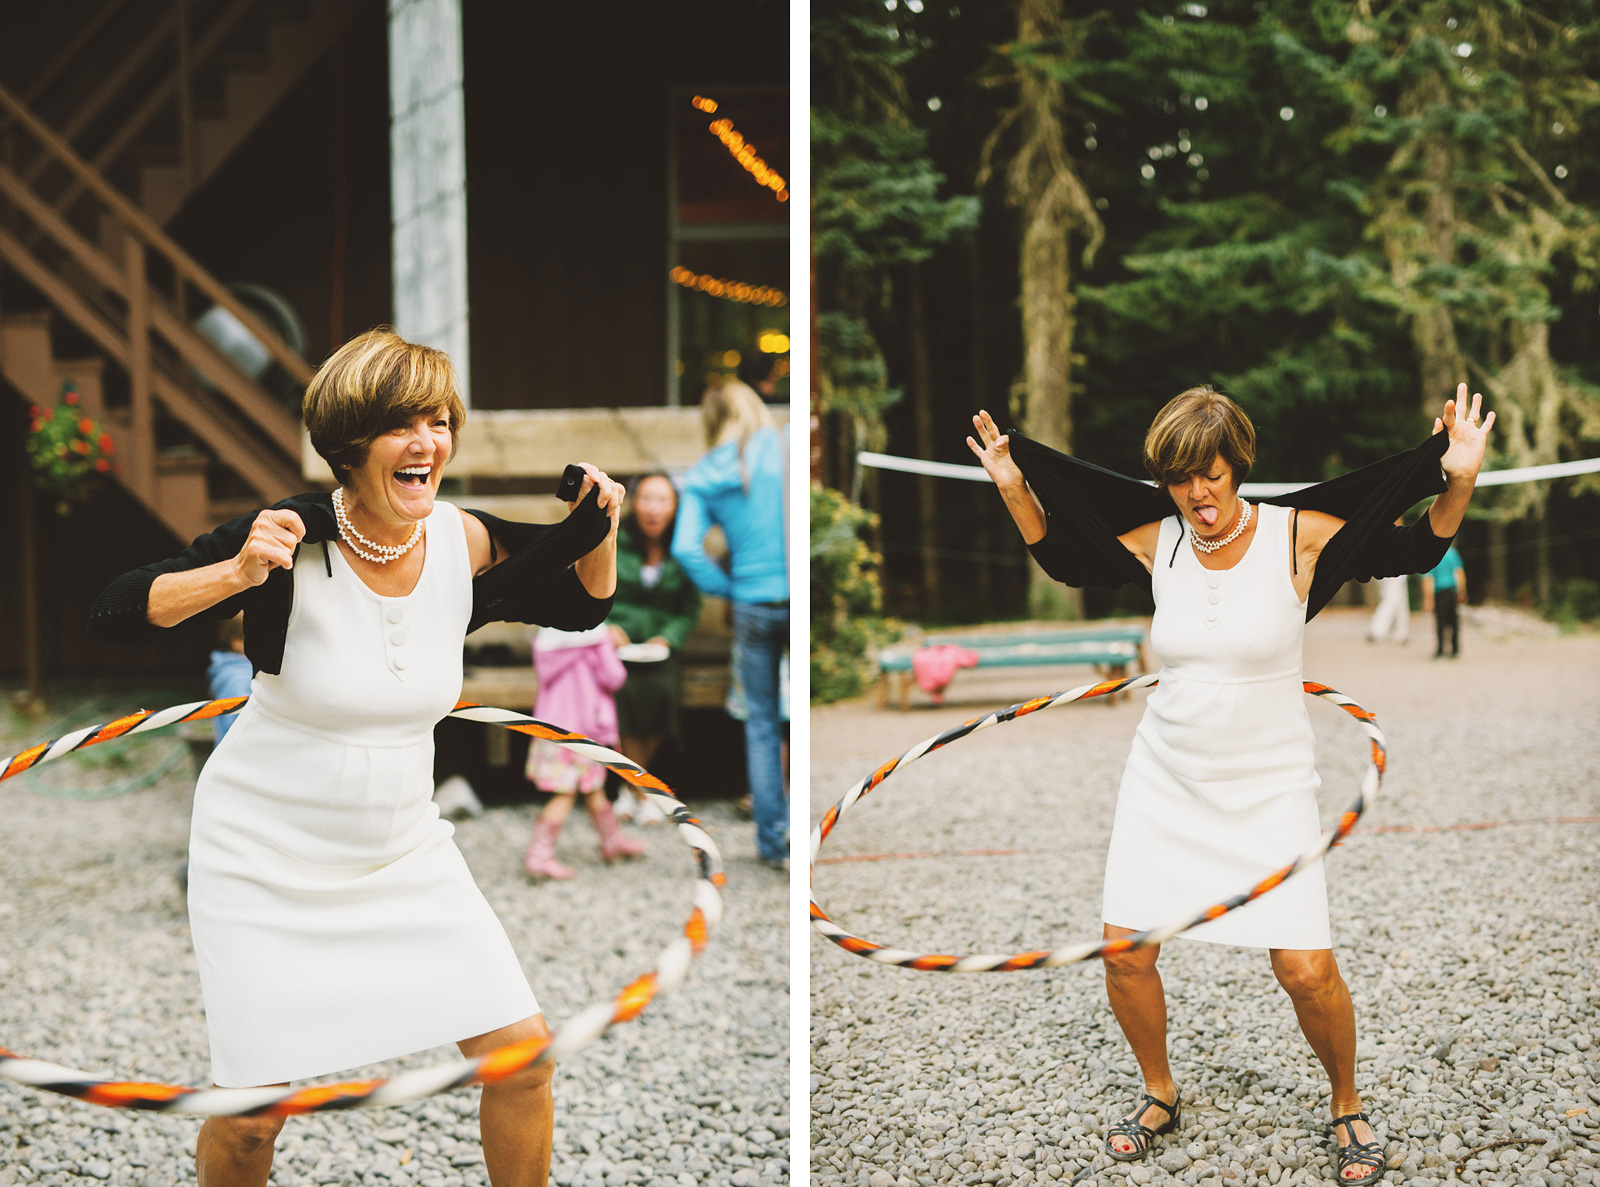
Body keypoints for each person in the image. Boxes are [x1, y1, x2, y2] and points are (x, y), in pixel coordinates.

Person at [87, 329, 625, 1187]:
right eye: (400, 424)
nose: (427, 441)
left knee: (523, 1059)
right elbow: (115, 608)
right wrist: (235, 572)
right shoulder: (292, 534)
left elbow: (579, 604)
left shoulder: (461, 539)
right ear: (348, 444)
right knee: (251, 1119)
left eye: (439, 420)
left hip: (406, 850)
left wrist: (600, 524)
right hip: (262, 854)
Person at [968, 383, 1493, 1185]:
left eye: (1208, 476)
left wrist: (1455, 475)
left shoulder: (1296, 537)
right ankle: (1159, 1091)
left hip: (1271, 781)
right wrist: (1013, 484)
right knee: (1125, 953)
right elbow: (1066, 560)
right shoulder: (1161, 539)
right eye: (1179, 480)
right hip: (1166, 774)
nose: (1196, 495)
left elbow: (1416, 547)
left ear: (1235, 466)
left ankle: (1347, 1103)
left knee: (1305, 970)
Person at [672, 381, 789, 870]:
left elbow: (685, 548)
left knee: (760, 723)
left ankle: (776, 842)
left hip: (752, 603)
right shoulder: (781, 446)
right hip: (796, 595)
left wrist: (726, 586)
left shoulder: (702, 475)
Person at [608, 473, 701, 822]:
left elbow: (690, 609)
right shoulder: (615, 539)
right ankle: (642, 790)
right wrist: (607, 628)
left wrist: (669, 638)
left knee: (662, 690)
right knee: (625, 691)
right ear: (635, 503)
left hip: (661, 649)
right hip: (617, 647)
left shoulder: (685, 549)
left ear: (674, 507)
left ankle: (633, 788)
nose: (654, 509)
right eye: (647, 499)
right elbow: (591, 594)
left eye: (663, 500)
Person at [521, 623, 644, 879]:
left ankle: (612, 840)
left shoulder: (547, 639)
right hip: (584, 730)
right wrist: (613, 644)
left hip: (553, 727)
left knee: (593, 787)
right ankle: (539, 855)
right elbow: (615, 677)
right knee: (566, 793)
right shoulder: (597, 638)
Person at [1421, 544, 1466, 658]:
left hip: (1439, 593)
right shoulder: (1452, 552)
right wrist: (1462, 591)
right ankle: (1455, 649)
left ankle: (1440, 649)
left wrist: (1428, 599)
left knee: (1440, 621)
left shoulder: (1430, 555)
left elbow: (1428, 579)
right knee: (1454, 621)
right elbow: (1459, 572)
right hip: (1452, 591)